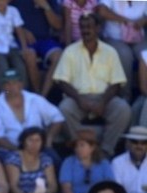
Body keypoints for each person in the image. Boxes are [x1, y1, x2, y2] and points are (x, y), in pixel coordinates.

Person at [53, 13, 132, 158]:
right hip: (78, 98)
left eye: (89, 26)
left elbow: (116, 83)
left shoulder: (110, 52)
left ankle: (105, 151)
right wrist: (79, 99)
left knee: (123, 109)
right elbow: (62, 82)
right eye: (82, 27)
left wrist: (103, 101)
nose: (85, 30)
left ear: (98, 28)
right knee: (64, 109)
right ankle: (81, 148)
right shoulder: (70, 51)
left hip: (104, 97)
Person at [0, 69, 64, 162]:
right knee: (14, 163)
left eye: (15, 82)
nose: (12, 86)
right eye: (7, 84)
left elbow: (58, 117)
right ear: (3, 87)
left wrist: (48, 140)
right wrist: (19, 150)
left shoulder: (35, 99)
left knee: (54, 160)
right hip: (10, 150)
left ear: (21, 84)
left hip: (38, 147)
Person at [96, 0, 147, 100]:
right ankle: (125, 96)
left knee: (145, 53)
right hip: (114, 37)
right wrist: (124, 20)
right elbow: (101, 11)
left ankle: (143, 97)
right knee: (125, 55)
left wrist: (143, 20)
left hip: (137, 37)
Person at [60, 128, 115, 193]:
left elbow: (109, 185)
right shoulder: (69, 162)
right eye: (76, 146)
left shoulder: (103, 163)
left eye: (82, 146)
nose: (78, 149)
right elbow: (66, 188)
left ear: (92, 147)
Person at [11, 0, 63, 97]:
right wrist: (22, 31)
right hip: (23, 40)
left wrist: (46, 7)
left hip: (45, 39)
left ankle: (43, 96)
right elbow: (4, 17)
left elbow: (58, 25)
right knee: (30, 55)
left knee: (59, 56)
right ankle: (36, 94)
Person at [4, 127, 58, 193]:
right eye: (30, 140)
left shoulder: (46, 159)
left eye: (37, 140)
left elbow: (52, 185)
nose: (34, 144)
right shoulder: (14, 159)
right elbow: (14, 186)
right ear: (24, 141)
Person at [111, 126, 147, 193]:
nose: (139, 146)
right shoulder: (117, 162)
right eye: (135, 142)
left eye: (143, 143)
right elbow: (116, 190)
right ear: (128, 143)